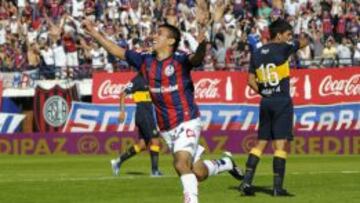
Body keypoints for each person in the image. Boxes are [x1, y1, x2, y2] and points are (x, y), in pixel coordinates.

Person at [82, 4, 243, 203]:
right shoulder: (145, 60)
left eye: (159, 33)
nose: (154, 36)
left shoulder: (180, 60)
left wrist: (202, 44)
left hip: (187, 120)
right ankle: (225, 163)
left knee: (180, 164)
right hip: (166, 127)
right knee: (197, 172)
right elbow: (116, 50)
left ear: (171, 40)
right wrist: (93, 32)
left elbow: (197, 57)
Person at [239, 19, 308, 196]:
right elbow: (304, 42)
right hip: (282, 102)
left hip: (266, 102)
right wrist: (300, 39)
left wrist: (264, 92)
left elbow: (250, 81)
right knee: (279, 145)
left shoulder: (257, 52)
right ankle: (277, 188)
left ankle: (246, 182)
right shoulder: (284, 48)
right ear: (279, 35)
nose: (289, 38)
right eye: (287, 34)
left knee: (260, 143)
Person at [110, 73, 163, 177]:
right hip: (143, 114)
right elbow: (123, 94)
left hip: (147, 115)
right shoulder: (138, 79)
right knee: (155, 140)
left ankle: (118, 161)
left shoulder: (152, 78)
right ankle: (155, 171)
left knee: (142, 145)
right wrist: (122, 112)